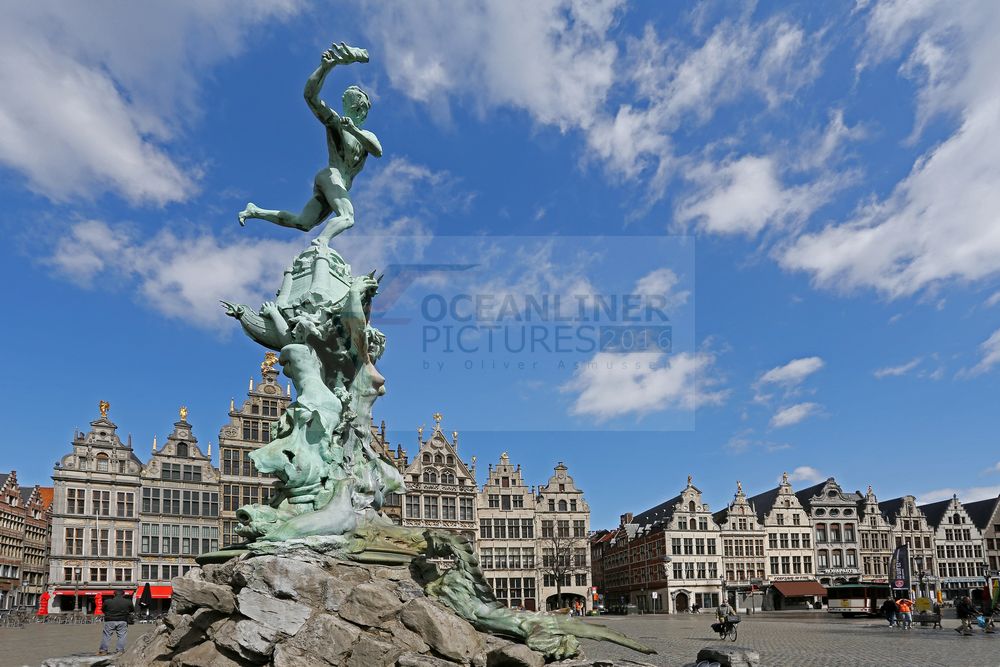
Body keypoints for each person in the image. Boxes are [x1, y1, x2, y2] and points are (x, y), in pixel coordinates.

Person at [238, 42, 382, 246]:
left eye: (364, 107)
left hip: (337, 184)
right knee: (347, 217)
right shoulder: (336, 122)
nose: (362, 110)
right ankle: (321, 243)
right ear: (354, 107)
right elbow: (310, 97)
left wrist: (353, 130)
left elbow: (377, 151)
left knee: (303, 222)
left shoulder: (363, 134)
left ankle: (255, 211)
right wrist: (326, 67)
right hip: (331, 176)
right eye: (360, 104)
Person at [97, 590, 133, 655]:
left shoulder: (107, 601)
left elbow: (103, 609)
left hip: (110, 620)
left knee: (106, 635)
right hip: (123, 620)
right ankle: (120, 651)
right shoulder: (128, 601)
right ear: (123, 595)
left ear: (114, 594)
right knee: (122, 636)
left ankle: (103, 651)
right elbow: (132, 610)